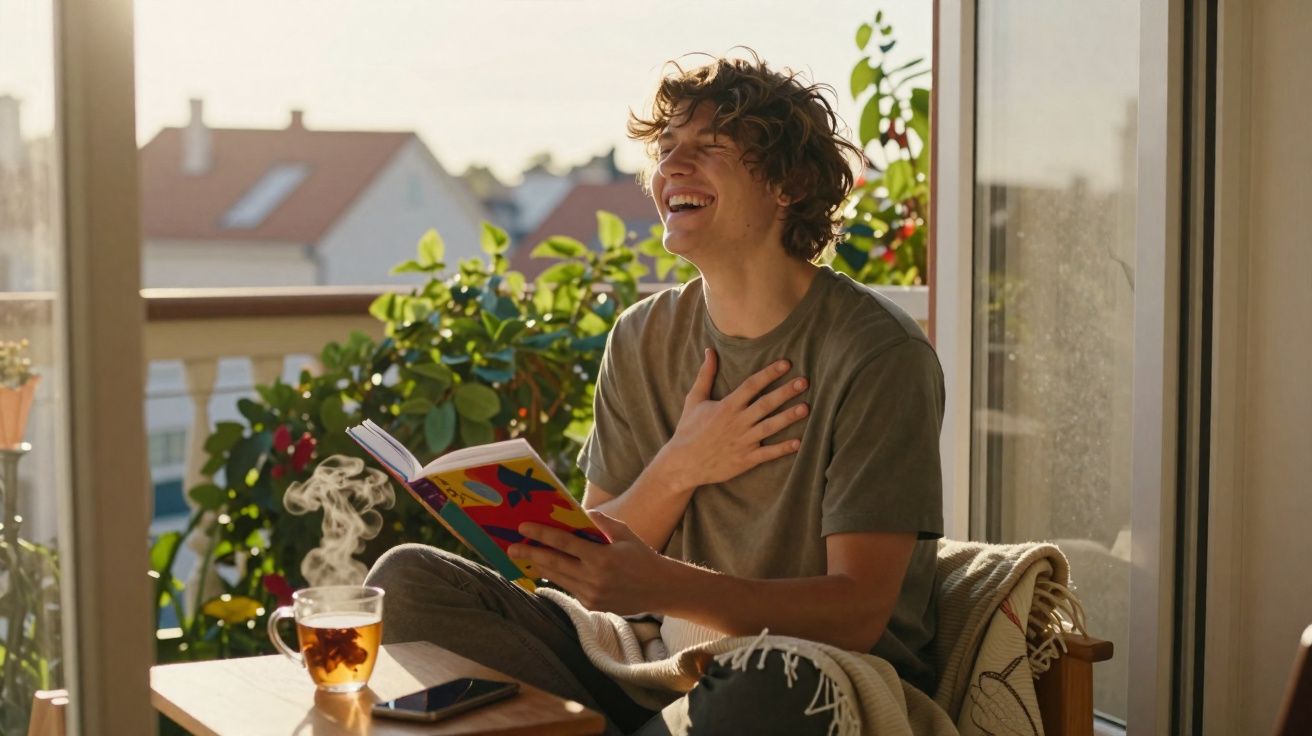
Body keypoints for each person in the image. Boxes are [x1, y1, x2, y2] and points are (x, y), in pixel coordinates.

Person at [365, 53, 945, 735]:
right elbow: (598, 554)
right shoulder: (643, 335)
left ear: (789, 183)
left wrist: (665, 584)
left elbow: (858, 613)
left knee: (768, 684)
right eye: (666, 148)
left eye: (709, 147)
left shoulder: (877, 353)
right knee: (406, 581)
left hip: (799, 679)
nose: (672, 166)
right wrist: (681, 464)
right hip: (647, 664)